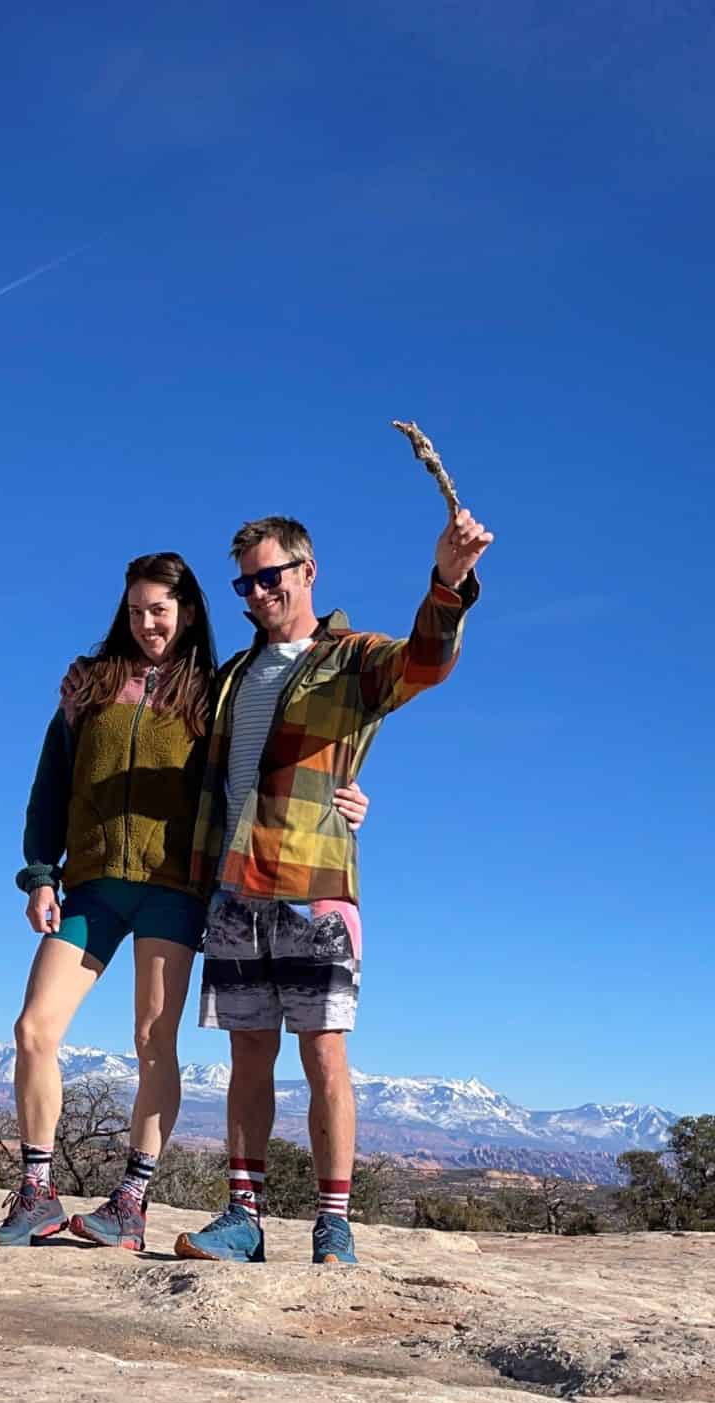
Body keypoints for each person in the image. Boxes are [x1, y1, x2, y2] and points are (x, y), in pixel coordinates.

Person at [0, 552, 371, 1251]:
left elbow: (269, 762)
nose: (147, 623)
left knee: (152, 1041)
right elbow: (51, 784)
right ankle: (37, 1192)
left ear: (187, 612)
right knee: (34, 1029)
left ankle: (130, 1204)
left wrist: (342, 796)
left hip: (175, 889)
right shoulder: (89, 686)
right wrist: (40, 873)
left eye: (159, 610)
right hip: (92, 886)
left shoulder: (214, 693)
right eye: (135, 611)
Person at [172, 504, 493, 1267]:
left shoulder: (351, 659)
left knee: (324, 1057)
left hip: (314, 886)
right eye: (244, 584)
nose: (257, 594)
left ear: (307, 571)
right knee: (248, 1057)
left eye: (269, 578)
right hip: (235, 889)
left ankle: (333, 1224)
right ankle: (244, 1218)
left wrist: (449, 580)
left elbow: (425, 663)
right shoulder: (233, 675)